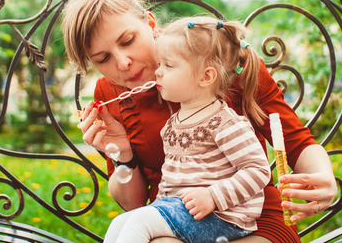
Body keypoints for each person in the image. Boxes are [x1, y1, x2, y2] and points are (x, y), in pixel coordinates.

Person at [61, 0, 337, 243]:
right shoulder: (110, 94)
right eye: (103, 58)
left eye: (128, 41)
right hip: (171, 221)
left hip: (252, 220)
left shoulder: (219, 61)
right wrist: (123, 154)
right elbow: (133, 204)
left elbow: (297, 142)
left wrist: (324, 178)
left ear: (150, 23)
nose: (122, 63)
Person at [103, 17, 272, 243]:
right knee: (119, 222)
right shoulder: (174, 123)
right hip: (183, 211)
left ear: (206, 77)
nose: (158, 73)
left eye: (168, 65)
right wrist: (158, 206)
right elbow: (173, 178)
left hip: (221, 217)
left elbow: (258, 170)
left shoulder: (224, 123)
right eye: (160, 64)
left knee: (138, 222)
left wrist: (213, 196)